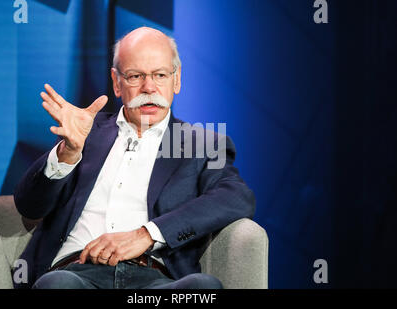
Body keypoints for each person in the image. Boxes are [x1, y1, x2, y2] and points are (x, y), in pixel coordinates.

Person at [13, 27, 255, 289]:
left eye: (160, 75)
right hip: (75, 274)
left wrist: (148, 234)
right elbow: (29, 206)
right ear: (117, 82)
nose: (149, 87)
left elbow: (234, 197)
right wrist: (68, 152)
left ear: (177, 79)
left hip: (156, 280)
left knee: (202, 289)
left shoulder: (204, 144)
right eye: (135, 76)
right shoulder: (85, 132)